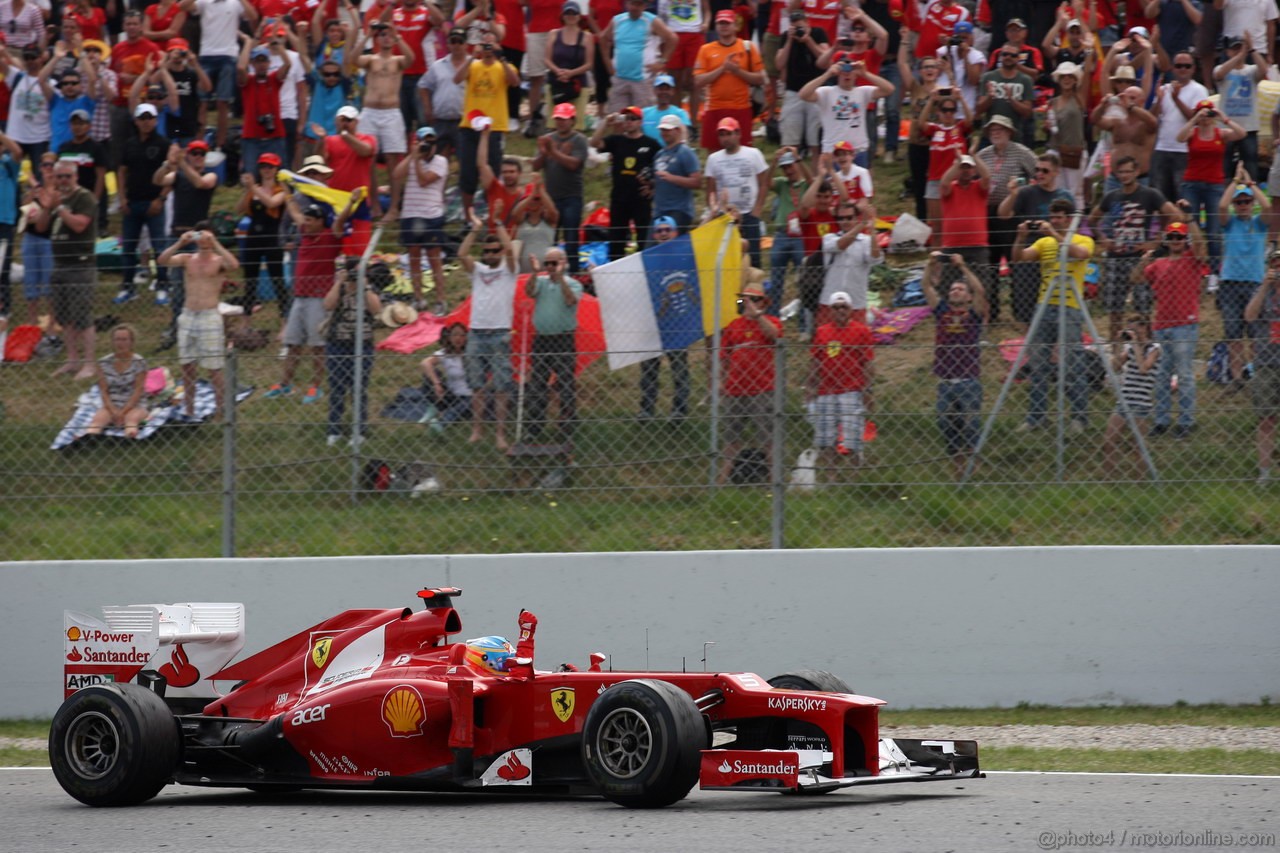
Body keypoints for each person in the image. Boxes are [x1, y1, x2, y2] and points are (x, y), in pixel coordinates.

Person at [1011, 197, 1096, 434]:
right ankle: (1036, 417)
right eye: (1052, 217)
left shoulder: (1083, 239)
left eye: (1059, 217)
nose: (1055, 221)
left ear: (1069, 220)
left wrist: (1058, 236)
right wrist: (1020, 237)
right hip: (1044, 306)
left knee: (1073, 364)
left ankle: (1079, 418)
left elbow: (1080, 254)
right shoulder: (1043, 242)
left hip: (1071, 307)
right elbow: (1019, 258)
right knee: (1038, 363)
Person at [264, 196, 347, 404]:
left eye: (311, 220)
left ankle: (316, 386)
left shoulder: (331, 236)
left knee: (317, 346)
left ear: (321, 221)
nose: (305, 223)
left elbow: (339, 222)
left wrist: (350, 203)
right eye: (306, 219)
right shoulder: (304, 233)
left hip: (318, 298)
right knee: (292, 343)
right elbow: (293, 211)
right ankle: (285, 384)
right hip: (299, 298)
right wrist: (287, 190)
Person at [1087, 154, 1180, 340]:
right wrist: (1102, 238)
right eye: (1121, 172)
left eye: (1129, 171)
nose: (1125, 175)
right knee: (1115, 310)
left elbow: (1174, 215)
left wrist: (1157, 240)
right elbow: (1091, 220)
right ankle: (1115, 349)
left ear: (1137, 172)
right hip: (1115, 257)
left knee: (1143, 307)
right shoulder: (1111, 197)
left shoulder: (1150, 194)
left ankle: (1146, 346)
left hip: (1140, 258)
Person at [1135, 218, 1208, 439]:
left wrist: (1190, 220)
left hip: (1185, 325)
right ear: (1167, 240)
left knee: (1184, 374)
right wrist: (1142, 262)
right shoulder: (1158, 264)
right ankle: (1161, 420)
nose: (1176, 240)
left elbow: (1201, 247)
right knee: (1161, 375)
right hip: (1161, 326)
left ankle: (1186, 421)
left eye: (1180, 237)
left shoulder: (1192, 259)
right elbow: (1136, 278)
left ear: (1185, 240)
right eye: (1172, 237)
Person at [159, 225, 239, 420]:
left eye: (205, 235)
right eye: (199, 235)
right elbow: (163, 260)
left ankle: (221, 409)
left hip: (209, 315)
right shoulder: (187, 259)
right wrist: (180, 242)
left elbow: (234, 265)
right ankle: (190, 408)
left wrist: (216, 243)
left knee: (214, 366)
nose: (202, 239)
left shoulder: (219, 261)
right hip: (188, 314)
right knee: (187, 365)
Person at [922, 252, 987, 478]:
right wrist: (930, 265)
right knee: (946, 424)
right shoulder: (942, 313)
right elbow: (926, 288)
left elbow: (980, 291)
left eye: (960, 289)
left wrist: (963, 267)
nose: (955, 291)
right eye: (952, 289)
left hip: (969, 381)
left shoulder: (973, 315)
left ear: (968, 297)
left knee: (970, 425)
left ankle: (973, 467)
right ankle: (957, 469)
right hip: (946, 382)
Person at [458, 211, 518, 451]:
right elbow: (462, 254)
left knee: (502, 387)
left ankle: (500, 434)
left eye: (495, 250)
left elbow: (512, 251)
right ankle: (477, 429)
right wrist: (476, 229)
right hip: (476, 332)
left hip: (500, 332)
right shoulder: (478, 270)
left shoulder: (509, 270)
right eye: (488, 251)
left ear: (501, 251)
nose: (491, 254)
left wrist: (501, 222)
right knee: (477, 385)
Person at [37, 158, 99, 380]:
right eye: (59, 176)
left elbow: (80, 225)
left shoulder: (84, 197)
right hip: (60, 264)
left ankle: (89, 363)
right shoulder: (57, 199)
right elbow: (42, 226)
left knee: (83, 315)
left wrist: (59, 208)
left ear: (76, 177)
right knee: (65, 317)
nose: (63, 181)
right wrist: (47, 207)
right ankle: (72, 360)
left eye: (67, 176)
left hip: (80, 264)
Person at [717, 279, 782, 485]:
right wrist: (719, 381)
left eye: (754, 299)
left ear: (763, 303)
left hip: (762, 389)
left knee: (768, 438)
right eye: (745, 299)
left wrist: (758, 316)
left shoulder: (771, 321)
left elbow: (775, 336)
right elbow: (723, 357)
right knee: (731, 438)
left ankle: (775, 481)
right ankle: (721, 480)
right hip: (735, 389)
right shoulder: (733, 326)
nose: (749, 303)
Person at [154, 139, 217, 349]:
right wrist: (168, 163)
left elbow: (201, 184)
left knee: (199, 284)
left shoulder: (210, 175)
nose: (198, 157)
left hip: (199, 237)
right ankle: (177, 326)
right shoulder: (179, 175)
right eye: (194, 153)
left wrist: (181, 164)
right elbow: (158, 180)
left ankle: (197, 328)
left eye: (201, 154)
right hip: (179, 235)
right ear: (189, 155)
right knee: (178, 285)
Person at [999, 152, 1075, 325]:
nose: (1039, 174)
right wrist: (1012, 195)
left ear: (1056, 172)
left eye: (1045, 171)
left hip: (1055, 255)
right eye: (1037, 170)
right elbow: (1003, 214)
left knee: (1055, 305)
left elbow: (1072, 228)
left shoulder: (1065, 196)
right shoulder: (1026, 193)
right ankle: (1028, 346)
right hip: (1029, 252)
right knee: (1026, 306)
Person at [807, 289, 875, 481]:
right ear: (830, 310)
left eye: (844, 307)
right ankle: (831, 476)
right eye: (835, 307)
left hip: (851, 390)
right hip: (825, 391)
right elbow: (815, 361)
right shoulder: (822, 332)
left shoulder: (861, 331)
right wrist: (810, 387)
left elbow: (868, 363)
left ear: (851, 309)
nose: (840, 311)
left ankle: (855, 476)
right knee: (827, 438)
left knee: (852, 436)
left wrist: (868, 390)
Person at [1176, 100, 1246, 286]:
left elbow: (1241, 133)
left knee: (1214, 230)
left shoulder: (1220, 133)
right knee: (1194, 227)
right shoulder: (1193, 133)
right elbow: (1179, 138)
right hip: (1192, 183)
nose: (1206, 118)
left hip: (1214, 185)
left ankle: (1214, 272)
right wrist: (1194, 120)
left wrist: (1223, 118)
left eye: (1208, 114)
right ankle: (1194, 270)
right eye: (1203, 113)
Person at [977, 115, 1038, 323]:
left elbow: (1038, 173)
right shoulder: (983, 155)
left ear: (1009, 132)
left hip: (1012, 213)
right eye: (992, 129)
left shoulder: (1022, 152)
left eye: (1000, 129)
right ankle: (991, 312)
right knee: (990, 264)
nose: (996, 132)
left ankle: (1020, 312)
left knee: (1015, 263)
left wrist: (1024, 193)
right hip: (987, 214)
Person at [350, 22, 412, 217]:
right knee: (368, 158)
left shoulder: (398, 60)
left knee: (394, 159)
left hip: (391, 113)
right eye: (382, 35)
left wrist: (399, 37)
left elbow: (412, 59)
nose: (386, 38)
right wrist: (367, 35)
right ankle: (374, 203)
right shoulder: (370, 59)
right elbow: (353, 59)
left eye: (388, 35)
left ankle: (394, 207)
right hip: (370, 112)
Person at [455, 35, 518, 223]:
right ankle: (468, 219)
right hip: (470, 126)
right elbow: (456, 78)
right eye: (485, 43)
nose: (488, 47)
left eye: (492, 43)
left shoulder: (503, 66)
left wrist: (502, 57)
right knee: (467, 174)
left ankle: (493, 215)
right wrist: (472, 56)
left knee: (492, 173)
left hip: (495, 126)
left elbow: (514, 81)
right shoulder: (473, 65)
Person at [1218, 172, 1271, 391]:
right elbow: (1221, 207)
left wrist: (1250, 184)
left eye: (1246, 201)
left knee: (1256, 333)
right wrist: (1234, 183)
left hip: (1254, 283)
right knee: (1233, 333)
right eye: (1238, 202)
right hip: (1230, 282)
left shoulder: (1259, 224)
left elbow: (1268, 208)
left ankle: (1257, 373)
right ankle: (1237, 377)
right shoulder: (1229, 224)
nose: (1242, 205)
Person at [323, 253, 382, 447]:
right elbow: (328, 305)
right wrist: (339, 283)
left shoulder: (368, 289)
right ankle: (334, 429)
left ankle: (360, 430)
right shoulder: (339, 288)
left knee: (359, 389)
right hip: (337, 344)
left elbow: (376, 309)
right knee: (337, 389)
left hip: (363, 345)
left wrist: (363, 286)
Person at [523, 246, 582, 441]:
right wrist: (533, 272)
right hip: (542, 339)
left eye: (554, 263)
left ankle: (567, 426)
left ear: (563, 263)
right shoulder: (540, 281)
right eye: (547, 263)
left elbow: (570, 300)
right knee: (537, 384)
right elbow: (529, 291)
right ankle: (534, 427)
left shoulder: (573, 284)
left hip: (563, 339)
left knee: (565, 383)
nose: (549, 267)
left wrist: (560, 279)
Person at [637, 217, 691, 420]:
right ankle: (646, 409)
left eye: (668, 229)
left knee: (679, 370)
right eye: (659, 231)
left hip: (677, 323)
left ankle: (679, 410)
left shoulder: (686, 256)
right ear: (654, 235)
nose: (663, 233)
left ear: (675, 233)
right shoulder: (645, 259)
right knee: (648, 370)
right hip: (652, 322)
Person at [591, 105, 659, 262]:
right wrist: (605, 123)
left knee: (643, 238)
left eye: (633, 118)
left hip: (641, 199)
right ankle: (615, 273)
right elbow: (595, 143)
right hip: (619, 198)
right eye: (626, 118)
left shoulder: (651, 144)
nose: (629, 122)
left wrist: (654, 187)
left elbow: (661, 167)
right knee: (616, 240)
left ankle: (645, 269)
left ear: (640, 122)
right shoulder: (617, 140)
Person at [798, 56, 895, 168]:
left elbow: (889, 89)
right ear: (838, 73)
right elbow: (803, 94)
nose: (847, 74)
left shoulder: (863, 92)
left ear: (855, 74)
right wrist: (828, 74)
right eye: (843, 71)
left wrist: (865, 74)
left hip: (858, 150)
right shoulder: (826, 92)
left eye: (850, 71)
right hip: (833, 151)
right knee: (833, 185)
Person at [693, 9, 764, 153]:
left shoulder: (748, 47)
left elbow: (760, 78)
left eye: (727, 23)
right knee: (713, 153)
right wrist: (722, 69)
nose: (723, 26)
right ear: (716, 26)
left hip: (741, 107)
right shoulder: (706, 49)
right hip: (714, 107)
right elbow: (698, 81)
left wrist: (737, 71)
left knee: (744, 152)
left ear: (735, 26)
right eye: (720, 23)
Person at [394, 126, 449, 311]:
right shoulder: (412, 159)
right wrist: (413, 155)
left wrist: (416, 160)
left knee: (434, 259)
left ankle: (440, 299)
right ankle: (418, 298)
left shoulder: (441, 161)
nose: (429, 146)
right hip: (410, 214)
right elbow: (396, 175)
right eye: (425, 141)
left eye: (432, 142)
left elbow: (424, 180)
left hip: (431, 216)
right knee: (414, 259)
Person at [1099, 315, 1161, 477]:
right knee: (1108, 441)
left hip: (1142, 402)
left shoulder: (1154, 348)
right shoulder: (1130, 348)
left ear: (1144, 327)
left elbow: (1143, 368)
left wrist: (1135, 344)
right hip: (1125, 399)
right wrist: (1119, 344)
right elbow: (1115, 367)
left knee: (1138, 446)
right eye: (1130, 329)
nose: (1132, 332)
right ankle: (1110, 478)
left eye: (1135, 328)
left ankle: (1140, 480)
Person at [189, 0, 255, 151]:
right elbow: (184, 6)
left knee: (222, 103)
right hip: (206, 54)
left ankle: (220, 145)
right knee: (202, 103)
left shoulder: (235, 3)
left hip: (228, 55)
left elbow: (252, 16)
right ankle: (198, 144)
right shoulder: (204, 2)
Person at [703, 116, 768, 268]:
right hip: (724, 216)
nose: (725, 138)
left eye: (728, 134)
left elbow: (764, 183)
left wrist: (757, 210)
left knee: (754, 259)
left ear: (738, 134)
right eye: (721, 134)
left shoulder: (753, 153)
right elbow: (710, 189)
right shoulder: (713, 158)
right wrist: (714, 209)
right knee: (726, 258)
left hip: (749, 213)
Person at [533, 102, 588, 273]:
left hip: (572, 195)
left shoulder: (579, 140)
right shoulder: (549, 139)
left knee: (572, 239)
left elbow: (574, 165)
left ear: (573, 120)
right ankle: (549, 273)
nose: (561, 122)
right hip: (551, 197)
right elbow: (536, 166)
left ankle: (575, 274)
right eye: (558, 119)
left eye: (564, 119)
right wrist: (544, 152)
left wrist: (553, 152)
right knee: (550, 239)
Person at [234, 152, 288, 326]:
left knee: (277, 280)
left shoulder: (281, 189)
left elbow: (272, 203)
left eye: (270, 167)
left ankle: (284, 323)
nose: (266, 170)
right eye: (263, 166)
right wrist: (248, 190)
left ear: (276, 169)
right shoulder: (254, 189)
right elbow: (239, 209)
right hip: (253, 238)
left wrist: (254, 188)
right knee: (250, 280)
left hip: (272, 238)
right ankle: (246, 322)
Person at [315, 104, 377, 250]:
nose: (345, 123)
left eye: (348, 120)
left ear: (356, 122)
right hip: (336, 201)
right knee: (335, 246)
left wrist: (344, 135)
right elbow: (318, 161)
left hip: (359, 201)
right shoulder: (330, 141)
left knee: (359, 247)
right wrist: (321, 140)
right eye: (342, 120)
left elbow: (365, 151)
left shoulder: (367, 139)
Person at [775, 7, 830, 166]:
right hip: (793, 92)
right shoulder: (786, 37)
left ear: (807, 23)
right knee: (790, 144)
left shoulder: (818, 33)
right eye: (794, 26)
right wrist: (790, 40)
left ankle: (815, 181)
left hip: (816, 93)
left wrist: (808, 40)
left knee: (816, 144)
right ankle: (794, 180)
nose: (798, 29)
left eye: (800, 25)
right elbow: (779, 64)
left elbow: (825, 59)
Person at [599, 0, 675, 114]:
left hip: (643, 79)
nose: (635, 7)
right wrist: (607, 62)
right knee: (616, 117)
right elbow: (603, 38)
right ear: (627, 4)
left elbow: (672, 39)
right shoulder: (617, 20)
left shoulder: (652, 21)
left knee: (643, 116)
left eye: (639, 4)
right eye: (633, 3)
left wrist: (662, 62)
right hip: (620, 77)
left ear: (645, 6)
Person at [1245, 256, 1280, 485]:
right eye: (1274, 265)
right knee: (1266, 419)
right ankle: (1265, 473)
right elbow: (1249, 316)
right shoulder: (1262, 291)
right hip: (1266, 362)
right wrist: (1266, 285)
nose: (1278, 270)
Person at [820, 199, 881, 325]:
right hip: (830, 301)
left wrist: (873, 232)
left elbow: (875, 259)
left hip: (856, 301)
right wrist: (861, 224)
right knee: (827, 340)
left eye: (849, 218)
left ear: (856, 218)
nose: (845, 222)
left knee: (856, 342)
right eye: (841, 218)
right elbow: (841, 245)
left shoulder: (865, 240)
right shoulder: (829, 238)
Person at [81, 324, 149, 439]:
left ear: (131, 342)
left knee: (131, 419)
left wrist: (123, 412)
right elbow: (103, 391)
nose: (120, 343)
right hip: (112, 403)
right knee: (98, 420)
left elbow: (138, 390)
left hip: (134, 404)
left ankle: (129, 438)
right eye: (117, 339)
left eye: (124, 340)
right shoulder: (104, 363)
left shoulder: (139, 362)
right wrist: (112, 410)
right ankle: (89, 439)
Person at [1213, 33, 1265, 181]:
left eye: (1240, 48)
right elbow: (1219, 75)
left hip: (1249, 127)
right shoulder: (1220, 68)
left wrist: (1252, 49)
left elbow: (1264, 71)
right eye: (1234, 49)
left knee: (1251, 166)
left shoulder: (1251, 70)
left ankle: (1251, 197)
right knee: (1225, 166)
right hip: (1226, 128)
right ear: (1228, 51)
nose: (1238, 51)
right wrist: (1239, 55)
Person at [766, 147, 812, 314]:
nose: (788, 171)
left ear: (797, 165)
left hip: (800, 236)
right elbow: (766, 182)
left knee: (804, 280)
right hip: (782, 235)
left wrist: (799, 159)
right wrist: (774, 162)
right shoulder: (782, 184)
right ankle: (773, 318)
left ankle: (803, 322)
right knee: (776, 279)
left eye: (790, 166)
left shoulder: (806, 184)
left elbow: (813, 181)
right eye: (784, 168)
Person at [237, 33, 291, 168]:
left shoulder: (273, 80)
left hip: (275, 137)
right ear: (252, 64)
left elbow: (288, 64)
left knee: (280, 176)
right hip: (251, 138)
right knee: (252, 175)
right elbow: (240, 68)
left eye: (264, 61)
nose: (261, 65)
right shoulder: (248, 82)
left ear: (269, 63)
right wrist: (248, 43)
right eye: (258, 61)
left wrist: (278, 45)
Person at [419, 28, 470, 159]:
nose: (456, 45)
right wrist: (427, 108)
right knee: (433, 157)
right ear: (448, 44)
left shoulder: (475, 65)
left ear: (466, 44)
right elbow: (423, 85)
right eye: (453, 41)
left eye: (460, 41)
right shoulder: (437, 65)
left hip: (464, 121)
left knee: (466, 157)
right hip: (440, 120)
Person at [649, 112, 701, 233]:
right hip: (659, 210)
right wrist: (649, 184)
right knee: (651, 249)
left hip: (679, 210)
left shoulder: (685, 152)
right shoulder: (659, 154)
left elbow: (697, 182)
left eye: (668, 130)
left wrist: (671, 178)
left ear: (677, 130)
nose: (664, 133)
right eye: (662, 130)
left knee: (671, 248)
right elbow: (658, 182)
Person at [544, 2, 595, 114]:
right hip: (556, 82)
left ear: (579, 16)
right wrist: (558, 72)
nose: (571, 16)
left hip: (578, 83)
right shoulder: (553, 34)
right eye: (567, 13)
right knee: (555, 119)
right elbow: (547, 59)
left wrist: (571, 73)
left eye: (574, 13)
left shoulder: (587, 37)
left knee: (576, 121)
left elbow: (589, 63)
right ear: (562, 15)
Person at [421, 322, 473, 425]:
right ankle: (434, 409)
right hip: (450, 395)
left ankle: (441, 422)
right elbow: (425, 363)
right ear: (449, 337)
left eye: (462, 335)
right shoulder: (445, 353)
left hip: (469, 397)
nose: (458, 338)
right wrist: (437, 383)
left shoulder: (472, 353)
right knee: (430, 375)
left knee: (471, 401)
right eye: (455, 334)